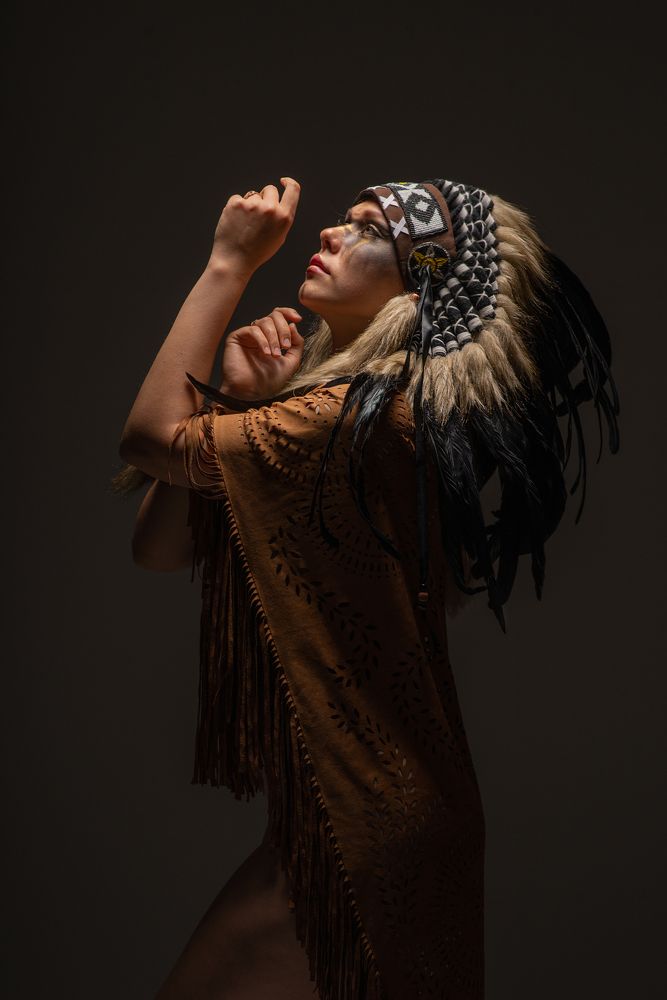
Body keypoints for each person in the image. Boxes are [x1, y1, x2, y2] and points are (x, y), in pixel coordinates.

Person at [115, 176, 619, 999]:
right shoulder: (342, 415)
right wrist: (240, 399)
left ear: (418, 288)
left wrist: (227, 264)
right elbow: (160, 548)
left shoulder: (362, 419)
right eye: (346, 219)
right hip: (364, 815)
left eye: (370, 230)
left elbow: (146, 439)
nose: (332, 232)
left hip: (365, 826)